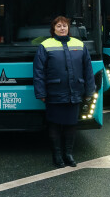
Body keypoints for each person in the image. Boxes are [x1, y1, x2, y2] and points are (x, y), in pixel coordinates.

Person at [33, 15, 94, 167]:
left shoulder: (79, 44)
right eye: (58, 26)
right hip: (54, 92)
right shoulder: (45, 45)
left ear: (68, 28)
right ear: (53, 29)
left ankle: (69, 154)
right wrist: (41, 93)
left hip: (74, 93)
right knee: (54, 125)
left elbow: (88, 69)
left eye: (64, 26)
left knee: (71, 124)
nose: (62, 28)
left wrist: (89, 91)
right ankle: (57, 156)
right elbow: (38, 71)